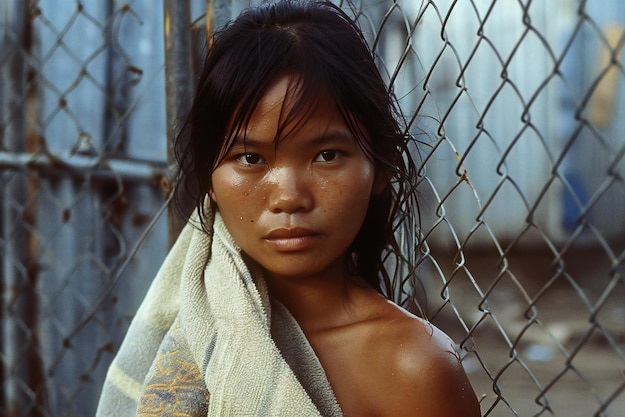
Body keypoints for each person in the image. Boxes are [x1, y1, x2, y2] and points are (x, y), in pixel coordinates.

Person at [97, 1, 481, 416]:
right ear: (210, 178)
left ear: (380, 164)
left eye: (328, 155)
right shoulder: (195, 331)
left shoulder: (414, 368)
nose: (288, 197)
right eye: (250, 159)